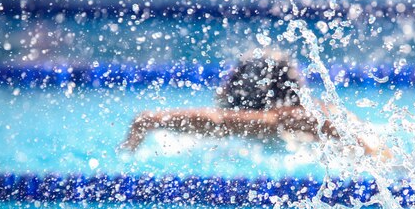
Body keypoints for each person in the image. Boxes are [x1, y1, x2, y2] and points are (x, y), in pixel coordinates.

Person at [121, 48, 379, 155]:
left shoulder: (285, 117)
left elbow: (220, 120)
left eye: (230, 80)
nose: (221, 90)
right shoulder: (317, 111)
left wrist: (150, 120)